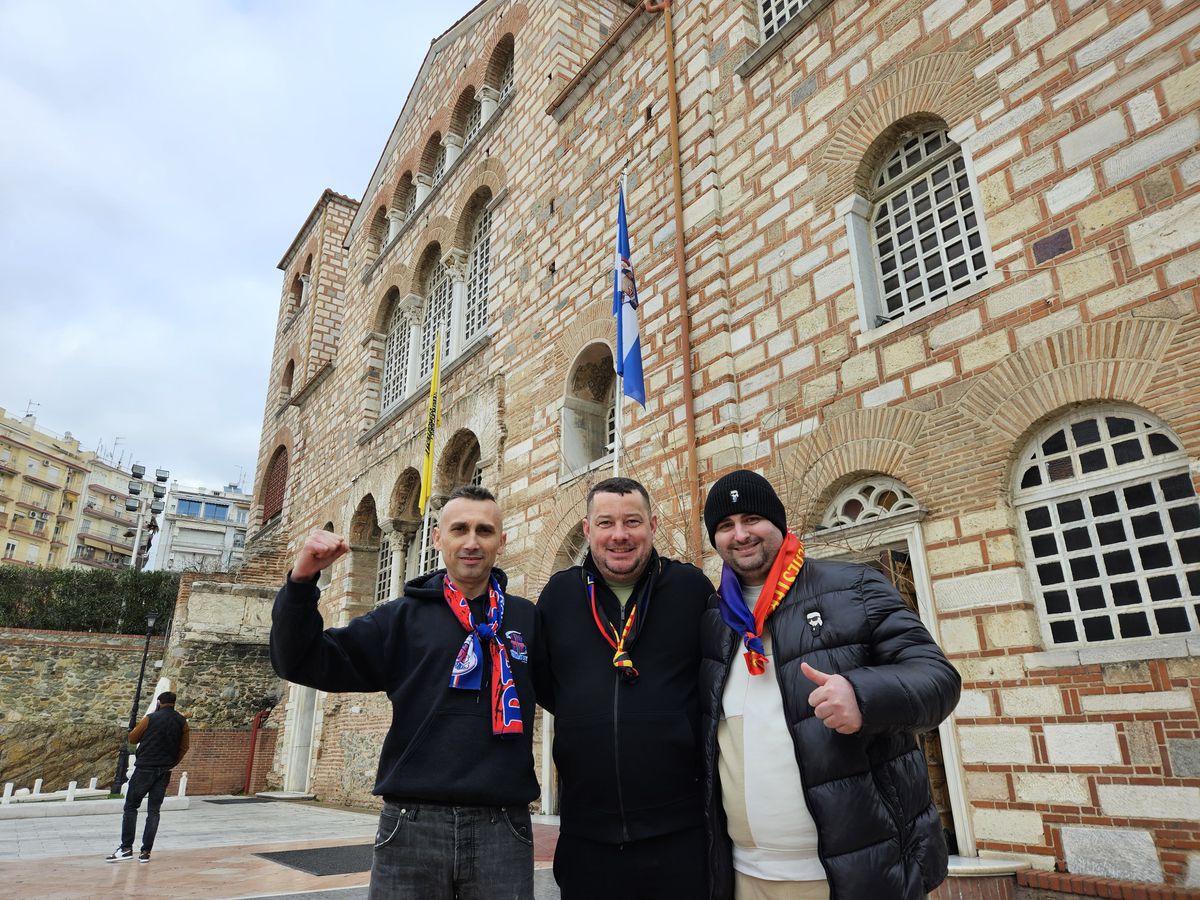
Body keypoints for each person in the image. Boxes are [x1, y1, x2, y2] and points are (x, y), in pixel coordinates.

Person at [699, 470, 961, 900]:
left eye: (751, 519)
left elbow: (937, 678)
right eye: (726, 526)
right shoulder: (714, 619)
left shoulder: (854, 586)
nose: (741, 534)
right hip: (746, 875)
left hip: (855, 871)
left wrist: (862, 696)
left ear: (778, 524)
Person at [270, 485, 541, 900]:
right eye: (459, 529)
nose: (471, 542)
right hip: (413, 825)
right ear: (438, 538)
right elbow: (302, 661)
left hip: (502, 828)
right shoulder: (400, 618)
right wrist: (302, 582)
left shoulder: (527, 619)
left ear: (501, 541)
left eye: (484, 531)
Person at [535, 476, 715, 899]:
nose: (619, 535)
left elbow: (715, 679)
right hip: (586, 839)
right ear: (587, 529)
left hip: (679, 835)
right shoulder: (559, 596)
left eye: (632, 521)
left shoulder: (691, 589)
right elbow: (545, 684)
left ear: (653, 524)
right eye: (606, 523)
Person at [105, 691, 190, 864]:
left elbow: (132, 738)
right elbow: (184, 747)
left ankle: (126, 848)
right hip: (164, 770)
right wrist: (172, 763)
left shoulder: (150, 718)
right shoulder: (182, 722)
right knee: (154, 811)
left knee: (131, 807)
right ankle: (146, 852)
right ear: (174, 704)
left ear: (159, 702)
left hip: (145, 768)